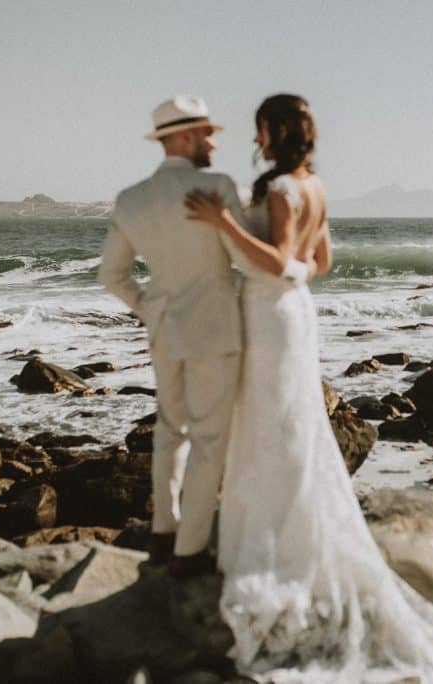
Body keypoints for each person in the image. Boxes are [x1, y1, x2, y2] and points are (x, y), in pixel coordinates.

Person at [183, 94, 433, 684]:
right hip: (294, 313)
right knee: (291, 428)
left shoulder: (281, 191)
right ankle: (296, 540)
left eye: (260, 129)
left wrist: (222, 224)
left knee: (271, 430)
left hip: (272, 314)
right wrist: (283, 266)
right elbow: (320, 262)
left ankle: (277, 556)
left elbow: (280, 262)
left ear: (276, 132)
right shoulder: (316, 187)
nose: (256, 139)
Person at [99, 95, 311, 578]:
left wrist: (148, 308)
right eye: (209, 133)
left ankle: (163, 532)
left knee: (171, 432)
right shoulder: (214, 186)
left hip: (163, 329)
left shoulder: (132, 199)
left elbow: (111, 275)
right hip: (215, 329)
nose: (215, 141)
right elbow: (241, 260)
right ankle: (190, 552)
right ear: (187, 137)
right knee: (211, 439)